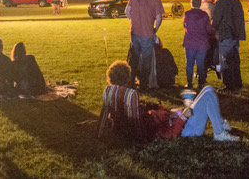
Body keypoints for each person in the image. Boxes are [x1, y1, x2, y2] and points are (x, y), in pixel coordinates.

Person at [101, 61, 238, 142]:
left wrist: (174, 112)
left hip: (179, 121)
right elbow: (169, 134)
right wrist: (183, 116)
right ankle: (219, 133)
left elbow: (159, 118)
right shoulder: (144, 122)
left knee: (208, 89)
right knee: (209, 95)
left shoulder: (132, 108)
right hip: (185, 129)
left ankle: (219, 124)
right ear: (126, 78)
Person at [124, 0, 165, 90]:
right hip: (147, 34)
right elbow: (159, 17)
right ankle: (144, 85)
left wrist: (134, 20)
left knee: (134, 58)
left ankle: (130, 82)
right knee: (146, 60)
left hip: (134, 32)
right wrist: (155, 29)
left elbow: (127, 11)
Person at [210, 0, 245, 94]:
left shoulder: (221, 2)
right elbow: (240, 19)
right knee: (235, 59)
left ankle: (229, 84)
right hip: (235, 34)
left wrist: (213, 29)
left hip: (225, 34)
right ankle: (238, 82)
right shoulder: (236, 1)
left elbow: (216, 19)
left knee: (225, 60)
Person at [182, 0, 212, 89]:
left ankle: (189, 82)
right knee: (201, 64)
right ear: (200, 4)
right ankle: (201, 83)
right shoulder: (204, 15)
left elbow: (184, 25)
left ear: (191, 3)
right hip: (202, 43)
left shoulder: (187, 14)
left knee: (189, 64)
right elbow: (209, 29)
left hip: (190, 43)